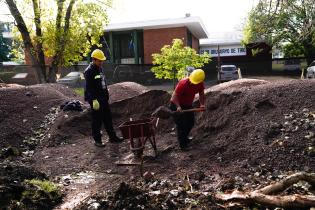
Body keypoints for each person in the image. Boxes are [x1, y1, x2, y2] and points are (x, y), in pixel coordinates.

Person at [84, 49, 122, 147]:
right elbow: (89, 88)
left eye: (102, 61)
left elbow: (102, 83)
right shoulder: (89, 71)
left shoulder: (99, 68)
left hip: (103, 98)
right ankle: (97, 141)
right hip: (96, 99)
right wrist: (93, 100)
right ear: (94, 59)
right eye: (100, 61)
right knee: (97, 120)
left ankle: (112, 137)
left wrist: (106, 95)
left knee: (108, 118)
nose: (101, 62)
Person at [170, 69, 206, 151]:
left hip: (188, 105)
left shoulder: (200, 82)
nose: (193, 82)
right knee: (181, 125)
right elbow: (174, 97)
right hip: (176, 105)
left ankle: (185, 138)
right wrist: (178, 107)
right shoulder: (183, 83)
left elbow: (201, 93)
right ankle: (183, 145)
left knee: (190, 123)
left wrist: (202, 104)